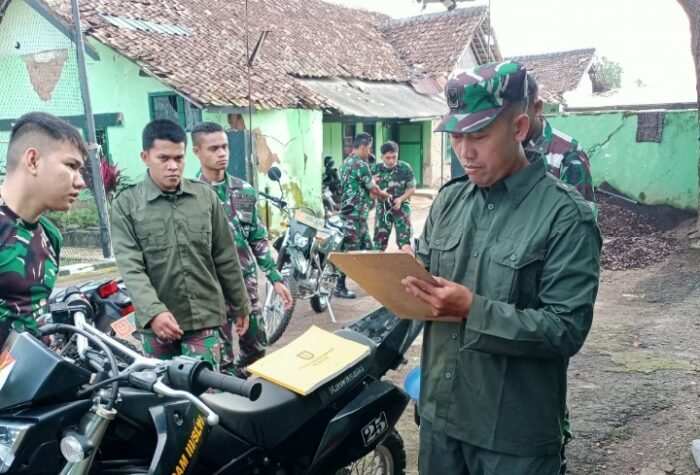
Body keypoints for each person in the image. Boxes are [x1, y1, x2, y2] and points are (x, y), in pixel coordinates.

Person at [403, 61, 602, 474]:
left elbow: (566, 329)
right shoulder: (448, 201)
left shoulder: (565, 216)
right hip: (441, 422)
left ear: (519, 127)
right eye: (456, 136)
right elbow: (423, 283)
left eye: (478, 135)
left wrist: (472, 309)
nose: (465, 152)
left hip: (513, 438)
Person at [111, 119, 250, 371]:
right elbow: (131, 267)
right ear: (145, 156)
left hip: (204, 317)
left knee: (206, 395)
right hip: (157, 325)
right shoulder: (126, 204)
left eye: (179, 158)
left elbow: (225, 256)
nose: (173, 166)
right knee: (166, 396)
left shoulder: (205, 197)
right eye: (163, 158)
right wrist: (154, 312)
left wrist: (240, 304)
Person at [191, 122, 293, 376]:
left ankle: (249, 386)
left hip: (246, 287)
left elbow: (257, 237)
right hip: (211, 290)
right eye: (213, 148)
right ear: (197, 152)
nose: (222, 153)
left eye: (224, 147)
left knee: (257, 346)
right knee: (221, 358)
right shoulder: (190, 196)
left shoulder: (243, 190)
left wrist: (275, 278)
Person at [0, 112, 87, 349]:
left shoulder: (50, 235)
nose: (80, 181)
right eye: (71, 166)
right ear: (33, 161)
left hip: (32, 378)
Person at [524, 73, 595, 203]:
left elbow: (581, 218)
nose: (505, 124)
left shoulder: (569, 155)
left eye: (516, 115)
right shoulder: (500, 147)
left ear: (537, 108)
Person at [335, 133, 389, 299]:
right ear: (364, 147)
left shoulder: (346, 162)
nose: (369, 151)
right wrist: (382, 194)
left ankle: (375, 283)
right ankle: (339, 286)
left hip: (356, 216)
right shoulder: (361, 164)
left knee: (368, 249)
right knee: (348, 253)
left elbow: (358, 182)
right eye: (369, 148)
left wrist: (371, 180)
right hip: (354, 216)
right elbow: (372, 189)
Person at [372, 141, 416, 252]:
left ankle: (407, 268)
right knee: (378, 244)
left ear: (397, 154)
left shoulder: (405, 168)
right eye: (388, 158)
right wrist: (378, 192)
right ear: (381, 157)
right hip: (382, 209)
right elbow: (371, 195)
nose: (391, 161)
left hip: (401, 208)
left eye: (394, 157)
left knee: (405, 243)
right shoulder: (375, 170)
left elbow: (412, 189)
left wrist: (401, 199)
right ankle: (376, 269)